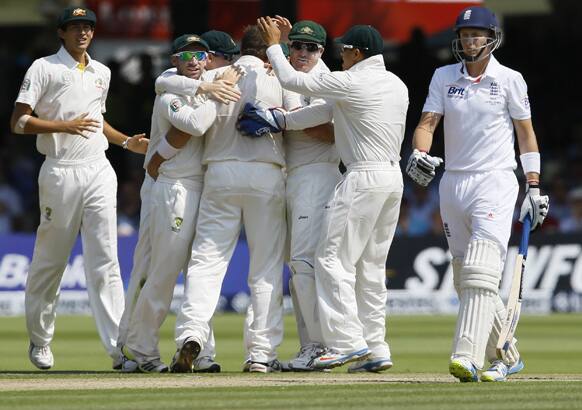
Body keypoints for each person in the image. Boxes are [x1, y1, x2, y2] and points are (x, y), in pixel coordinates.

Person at [241, 19, 409, 372]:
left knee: (331, 259)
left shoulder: (351, 80)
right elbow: (325, 111)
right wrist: (281, 120)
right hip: (392, 178)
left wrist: (275, 44)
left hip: (361, 175)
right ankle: (377, 348)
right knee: (371, 267)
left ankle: (345, 343)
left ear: (357, 53)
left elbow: (292, 81)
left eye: (345, 50)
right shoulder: (395, 83)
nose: (341, 54)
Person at [406, 6, 549, 382]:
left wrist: (532, 183)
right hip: (453, 182)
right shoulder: (443, 76)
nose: (470, 40)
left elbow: (526, 134)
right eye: (465, 34)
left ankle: (466, 356)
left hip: (496, 180)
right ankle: (507, 355)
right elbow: (427, 123)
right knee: (463, 275)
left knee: (482, 271)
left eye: (477, 34)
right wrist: (419, 152)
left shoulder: (510, 79)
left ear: (491, 38)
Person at [9, 6, 148, 370]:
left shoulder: (101, 72)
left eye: (87, 27)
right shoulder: (44, 67)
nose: (83, 32)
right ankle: (40, 341)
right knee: (50, 262)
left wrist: (124, 142)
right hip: (60, 171)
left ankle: (120, 349)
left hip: (98, 169)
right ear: (62, 32)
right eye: (75, 27)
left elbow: (96, 121)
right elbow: (19, 122)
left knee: (106, 261)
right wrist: (61, 127)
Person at [155, 25, 298, 373]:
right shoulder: (278, 77)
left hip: (219, 172)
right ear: (269, 53)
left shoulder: (215, 75)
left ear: (241, 50)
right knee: (264, 267)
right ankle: (261, 354)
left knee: (206, 262)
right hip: (266, 173)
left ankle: (192, 334)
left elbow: (165, 83)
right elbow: (297, 120)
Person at [117, 35, 242, 373]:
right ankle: (140, 351)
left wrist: (214, 87)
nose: (194, 60)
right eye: (186, 55)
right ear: (175, 60)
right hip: (172, 188)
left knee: (199, 275)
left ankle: (200, 352)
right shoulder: (169, 93)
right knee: (163, 271)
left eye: (200, 54)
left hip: (204, 188)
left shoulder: (211, 82)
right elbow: (196, 125)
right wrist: (212, 92)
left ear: (207, 58)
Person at [276, 18, 340, 371]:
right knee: (298, 266)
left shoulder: (327, 80)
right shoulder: (292, 76)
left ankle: (319, 345)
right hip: (294, 177)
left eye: (310, 48)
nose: (302, 53)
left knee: (305, 264)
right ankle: (310, 345)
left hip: (318, 176)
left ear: (321, 50)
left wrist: (283, 119)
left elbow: (331, 132)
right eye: (296, 46)